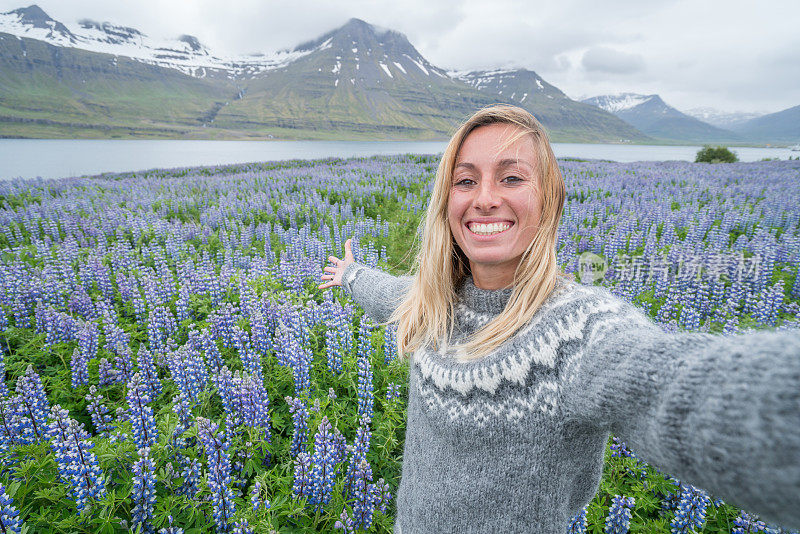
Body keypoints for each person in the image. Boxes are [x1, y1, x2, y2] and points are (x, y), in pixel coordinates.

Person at [318, 104, 800, 533]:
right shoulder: (434, 304)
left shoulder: (578, 332)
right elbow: (395, 296)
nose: (484, 198)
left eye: (511, 177)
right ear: (446, 204)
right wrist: (351, 274)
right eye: (465, 180)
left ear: (549, 201)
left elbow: (671, 385)